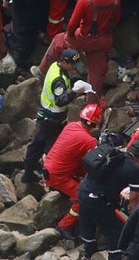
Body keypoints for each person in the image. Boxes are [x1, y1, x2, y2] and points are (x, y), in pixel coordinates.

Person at [36, 0, 120, 94]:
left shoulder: (86, 0)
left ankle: (41, 71)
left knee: (59, 40)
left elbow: (72, 24)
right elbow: (116, 19)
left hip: (85, 38)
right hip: (104, 39)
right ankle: (93, 102)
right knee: (96, 72)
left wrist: (69, 36)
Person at [22, 49, 93, 183]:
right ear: (64, 62)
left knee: (37, 143)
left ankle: (30, 169)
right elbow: (60, 100)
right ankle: (51, 177)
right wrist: (74, 91)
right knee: (52, 148)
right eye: (72, 65)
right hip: (52, 118)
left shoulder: (55, 66)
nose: (74, 68)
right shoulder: (58, 80)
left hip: (48, 114)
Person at [78, 141, 139, 260]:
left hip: (83, 190)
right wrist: (135, 219)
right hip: (99, 199)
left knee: (87, 222)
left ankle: (89, 251)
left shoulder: (111, 153)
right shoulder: (134, 168)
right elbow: (133, 199)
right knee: (114, 231)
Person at [43, 102, 104, 237]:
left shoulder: (71, 126)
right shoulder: (89, 141)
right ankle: (64, 225)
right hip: (58, 175)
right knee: (83, 198)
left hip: (49, 166)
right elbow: (93, 164)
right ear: (95, 124)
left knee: (81, 174)